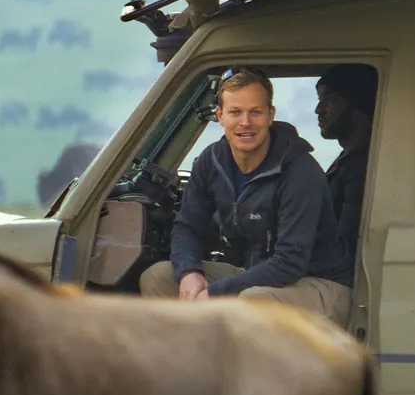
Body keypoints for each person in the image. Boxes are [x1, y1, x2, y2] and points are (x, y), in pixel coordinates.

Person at [138, 66, 355, 326]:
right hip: (258, 275)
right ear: (220, 115)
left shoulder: (300, 171)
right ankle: (192, 362)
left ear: (270, 115)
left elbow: (290, 263)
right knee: (158, 277)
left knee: (251, 302)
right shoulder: (210, 161)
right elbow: (187, 227)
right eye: (235, 112)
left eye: (255, 112)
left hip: (321, 285)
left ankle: (236, 366)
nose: (245, 123)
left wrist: (216, 292)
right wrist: (189, 272)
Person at [314, 63, 376, 259]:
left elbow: (343, 246)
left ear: (357, 107)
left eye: (329, 100)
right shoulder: (348, 159)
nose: (318, 110)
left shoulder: (363, 167)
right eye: (319, 100)